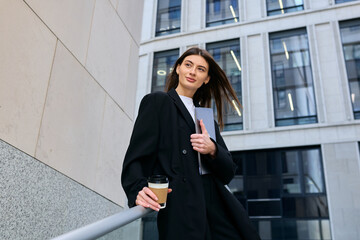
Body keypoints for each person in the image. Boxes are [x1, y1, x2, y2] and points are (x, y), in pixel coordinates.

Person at [121, 47, 260, 240]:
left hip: (216, 208)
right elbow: (136, 156)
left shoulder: (204, 116)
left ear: (207, 79)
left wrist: (212, 150)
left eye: (201, 69)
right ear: (177, 69)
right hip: (181, 208)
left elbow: (228, 172)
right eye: (188, 65)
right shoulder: (158, 102)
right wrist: (137, 189)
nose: (193, 71)